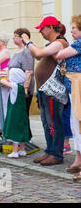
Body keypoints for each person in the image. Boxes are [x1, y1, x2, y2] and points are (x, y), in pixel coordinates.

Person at [21, 16, 69, 166]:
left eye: (42, 28)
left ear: (50, 27)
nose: (40, 31)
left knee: (54, 122)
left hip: (53, 92)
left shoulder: (60, 43)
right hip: (45, 90)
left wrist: (28, 41)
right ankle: (50, 151)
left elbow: (38, 53)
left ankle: (56, 154)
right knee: (47, 122)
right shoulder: (53, 43)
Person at [55, 15, 81, 180]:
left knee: (78, 122)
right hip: (73, 87)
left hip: (78, 85)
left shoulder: (79, 43)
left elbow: (59, 54)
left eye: (74, 28)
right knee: (74, 123)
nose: (71, 30)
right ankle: (79, 159)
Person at [1, 68, 32, 158]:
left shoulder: (14, 86)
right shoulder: (21, 86)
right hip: (22, 113)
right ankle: (22, 150)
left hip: (15, 114)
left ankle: (15, 151)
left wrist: (4, 77)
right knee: (22, 130)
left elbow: (2, 81)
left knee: (15, 132)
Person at [9, 28, 35, 116]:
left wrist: (25, 89)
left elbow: (29, 72)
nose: (13, 38)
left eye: (15, 36)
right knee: (18, 115)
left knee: (23, 115)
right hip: (15, 87)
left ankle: (26, 130)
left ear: (22, 38)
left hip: (23, 89)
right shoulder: (17, 52)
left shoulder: (26, 52)